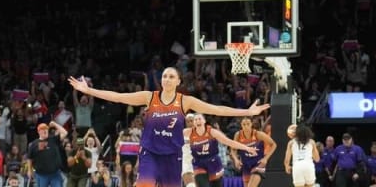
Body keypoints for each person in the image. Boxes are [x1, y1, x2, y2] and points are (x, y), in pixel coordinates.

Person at [67, 67, 269, 187]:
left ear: (179, 81)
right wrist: (88, 90)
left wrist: (247, 112)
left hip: (173, 155)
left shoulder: (185, 101)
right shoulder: (149, 97)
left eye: (172, 76)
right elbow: (118, 97)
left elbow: (217, 108)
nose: (167, 78)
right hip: (150, 154)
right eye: (164, 76)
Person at [185, 114, 257, 187]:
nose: (197, 121)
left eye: (199, 119)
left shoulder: (212, 132)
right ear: (194, 123)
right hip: (199, 163)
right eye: (195, 120)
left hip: (213, 163)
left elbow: (229, 142)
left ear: (204, 121)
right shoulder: (188, 132)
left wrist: (247, 148)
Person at [231, 117, 277, 187]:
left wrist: (266, 158)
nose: (246, 126)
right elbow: (233, 149)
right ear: (241, 125)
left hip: (258, 164)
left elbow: (274, 144)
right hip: (246, 165)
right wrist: (236, 159)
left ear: (251, 124)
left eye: (248, 124)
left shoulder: (258, 134)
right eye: (244, 124)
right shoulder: (238, 135)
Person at [27, 121, 68, 187]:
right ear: (39, 131)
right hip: (41, 174)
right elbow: (29, 158)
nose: (45, 131)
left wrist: (55, 124)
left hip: (55, 173)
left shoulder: (53, 139)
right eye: (43, 129)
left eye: (46, 129)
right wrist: (29, 170)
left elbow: (65, 132)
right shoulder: (33, 144)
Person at [181, 114, 196, 187]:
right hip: (186, 162)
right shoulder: (182, 132)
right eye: (187, 122)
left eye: (191, 121)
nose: (190, 123)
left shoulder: (202, 133)